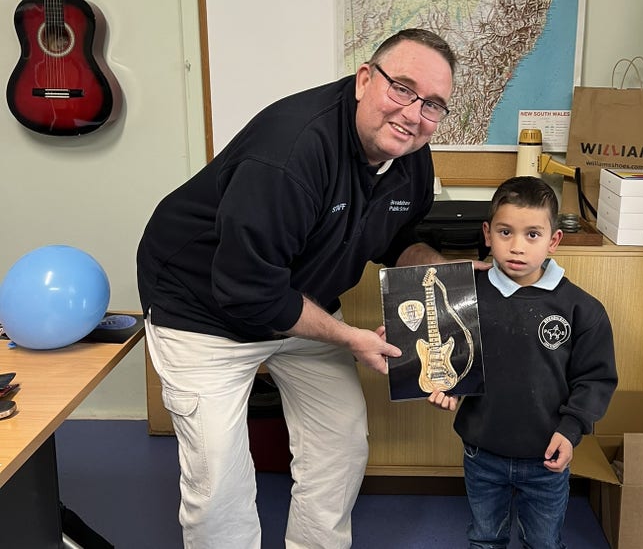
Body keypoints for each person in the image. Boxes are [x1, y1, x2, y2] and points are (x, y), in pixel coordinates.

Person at [136, 28, 476, 549]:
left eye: (433, 104)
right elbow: (248, 289)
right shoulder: (290, 152)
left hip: (298, 301)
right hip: (201, 308)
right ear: (365, 79)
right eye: (402, 89)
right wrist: (348, 338)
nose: (413, 114)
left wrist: (447, 281)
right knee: (219, 482)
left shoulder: (410, 155)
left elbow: (399, 239)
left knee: (340, 442)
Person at [429, 176, 618, 549]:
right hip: (482, 451)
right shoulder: (463, 298)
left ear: (553, 240)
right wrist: (445, 387)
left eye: (532, 234)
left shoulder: (582, 309)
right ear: (487, 234)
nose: (517, 246)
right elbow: (452, 356)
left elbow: (595, 379)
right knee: (485, 539)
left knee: (544, 543)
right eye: (505, 232)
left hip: (546, 454)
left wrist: (572, 429)